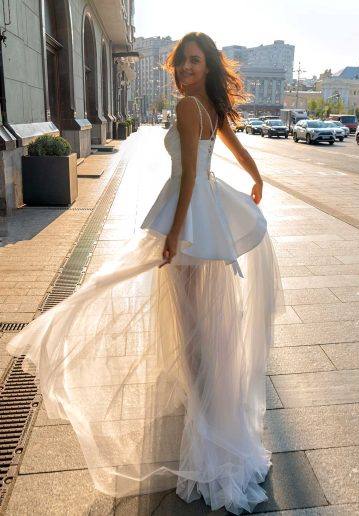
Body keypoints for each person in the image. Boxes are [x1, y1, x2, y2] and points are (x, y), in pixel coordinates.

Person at [6, 32, 281, 515]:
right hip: (206, 215)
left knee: (191, 326)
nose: (186, 69)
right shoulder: (209, 106)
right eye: (181, 63)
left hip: (190, 216)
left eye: (194, 62)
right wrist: (255, 177)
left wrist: (175, 234)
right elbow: (231, 150)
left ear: (209, 65)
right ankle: (213, 419)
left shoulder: (189, 108)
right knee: (201, 327)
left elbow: (190, 176)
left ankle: (208, 425)